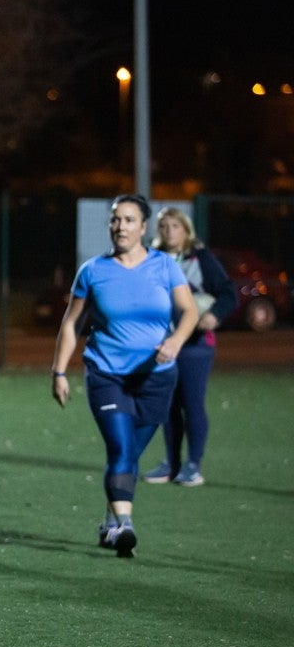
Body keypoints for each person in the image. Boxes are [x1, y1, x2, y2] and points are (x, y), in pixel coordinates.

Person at [51, 194, 198, 558]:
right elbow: (71, 324)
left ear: (144, 228)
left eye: (129, 220)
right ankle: (125, 527)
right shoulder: (93, 271)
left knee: (130, 455)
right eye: (116, 220)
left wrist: (176, 341)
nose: (121, 227)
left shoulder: (165, 266)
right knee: (119, 448)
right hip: (107, 375)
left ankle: (111, 518)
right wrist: (59, 371)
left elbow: (190, 312)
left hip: (157, 378)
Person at [142, 207, 236, 487]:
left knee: (192, 404)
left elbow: (228, 294)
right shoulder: (153, 259)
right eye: (165, 227)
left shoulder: (202, 258)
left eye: (175, 226)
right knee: (168, 405)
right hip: (164, 344)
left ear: (186, 229)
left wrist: (214, 315)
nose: (170, 231)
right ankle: (171, 463)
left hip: (196, 345)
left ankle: (193, 465)